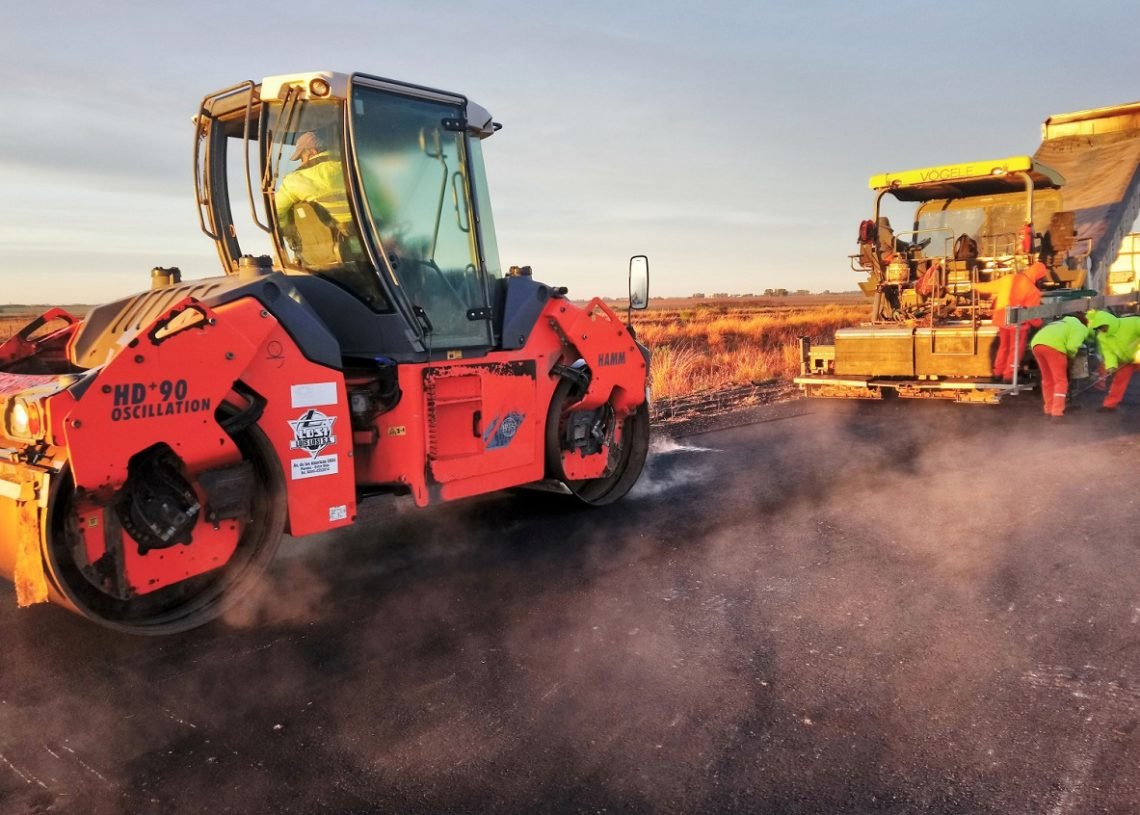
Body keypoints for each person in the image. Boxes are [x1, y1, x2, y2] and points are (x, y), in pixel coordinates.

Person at [975, 260, 1049, 382]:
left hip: (1002, 319)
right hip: (1018, 324)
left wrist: (974, 286)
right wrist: (1041, 325)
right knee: (1016, 350)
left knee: (1003, 347)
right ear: (1038, 276)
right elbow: (1032, 315)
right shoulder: (1033, 290)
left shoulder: (1008, 279)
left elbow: (989, 287)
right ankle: (1009, 376)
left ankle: (997, 373)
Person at [274, 131, 353, 231]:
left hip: (339, 238)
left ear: (313, 151)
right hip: (368, 233)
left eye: (302, 157)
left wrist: (288, 228)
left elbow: (276, 212)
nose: (302, 162)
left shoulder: (295, 179)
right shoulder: (355, 166)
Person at [1029, 314, 1089, 418]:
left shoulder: (1060, 323)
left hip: (1036, 345)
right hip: (1055, 347)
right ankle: (1057, 412)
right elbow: (1072, 346)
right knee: (1060, 381)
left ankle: (1048, 409)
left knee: (1048, 380)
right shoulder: (1080, 327)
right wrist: (1071, 357)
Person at [1085, 309, 1140, 411]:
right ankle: (1109, 405)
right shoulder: (1102, 337)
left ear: (1108, 322)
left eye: (1102, 327)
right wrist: (1111, 366)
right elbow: (1109, 353)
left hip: (1137, 355)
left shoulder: (1132, 323)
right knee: (1119, 381)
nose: (1102, 330)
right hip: (1126, 360)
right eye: (1099, 328)